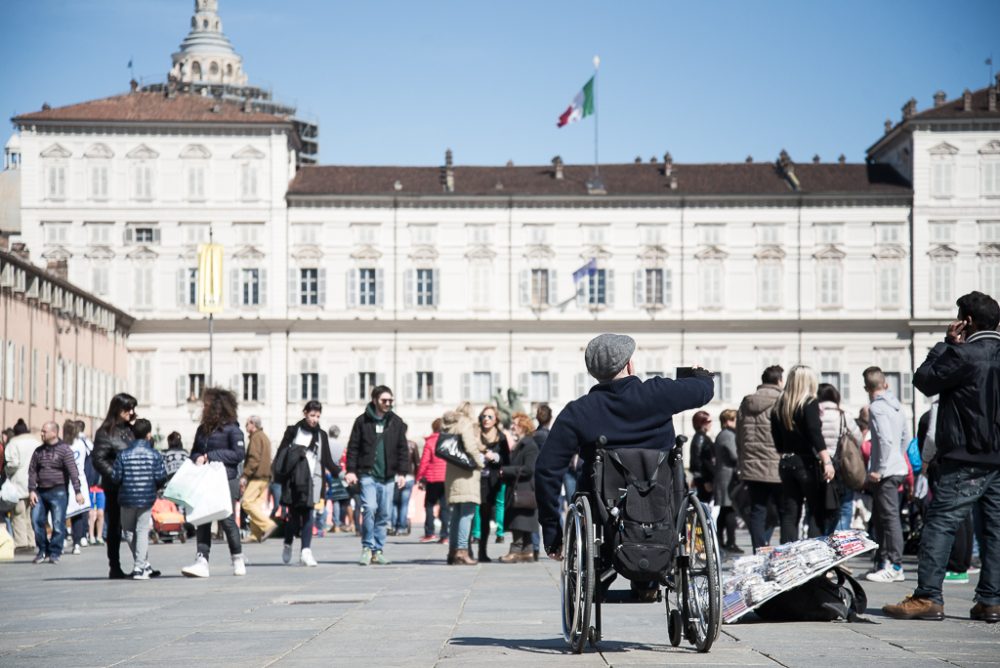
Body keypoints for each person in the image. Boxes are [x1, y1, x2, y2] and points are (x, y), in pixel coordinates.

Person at [535, 333, 714, 600]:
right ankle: (649, 581)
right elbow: (703, 390)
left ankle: (599, 578)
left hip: (603, 515)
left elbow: (546, 470)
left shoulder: (579, 412)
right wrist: (699, 375)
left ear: (594, 373)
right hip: (661, 506)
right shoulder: (658, 393)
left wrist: (552, 532)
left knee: (591, 489)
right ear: (630, 365)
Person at [884, 291, 1000, 623]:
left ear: (967, 321)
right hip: (998, 457)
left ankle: (927, 597)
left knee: (940, 524)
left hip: (966, 456)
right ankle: (991, 600)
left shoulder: (964, 355)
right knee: (994, 528)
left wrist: (946, 343)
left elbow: (924, 380)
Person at [181, 387, 247, 578]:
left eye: (206, 405)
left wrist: (211, 456)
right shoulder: (202, 430)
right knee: (202, 519)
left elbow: (238, 454)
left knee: (227, 519)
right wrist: (198, 457)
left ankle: (237, 557)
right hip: (205, 478)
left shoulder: (232, 429)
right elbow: (194, 451)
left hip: (226, 478)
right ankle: (202, 560)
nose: (203, 408)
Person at [344, 385, 409, 566]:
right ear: (375, 400)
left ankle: (378, 550)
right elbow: (353, 447)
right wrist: (350, 470)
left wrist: (403, 473)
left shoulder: (396, 422)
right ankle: (366, 547)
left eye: (390, 400)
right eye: (384, 400)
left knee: (384, 514)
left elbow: (403, 449)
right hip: (367, 474)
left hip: (388, 476)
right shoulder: (362, 421)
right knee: (370, 508)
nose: (388, 404)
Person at [770, 365, 836, 542]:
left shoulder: (779, 405)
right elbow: (814, 432)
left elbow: (777, 441)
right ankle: (814, 554)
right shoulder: (808, 403)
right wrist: (826, 461)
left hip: (786, 462)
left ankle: (787, 557)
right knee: (815, 510)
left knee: (790, 512)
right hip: (806, 462)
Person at [272, 401, 339, 567]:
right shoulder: (293, 431)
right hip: (293, 479)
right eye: (312, 415)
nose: (314, 419)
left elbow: (327, 460)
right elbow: (281, 453)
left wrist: (342, 474)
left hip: (313, 480)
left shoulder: (322, 435)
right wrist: (278, 477)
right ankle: (288, 543)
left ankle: (305, 551)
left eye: (317, 416)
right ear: (305, 413)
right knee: (294, 516)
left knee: (309, 514)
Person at [862, 366, 911, 583]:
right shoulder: (898, 406)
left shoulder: (877, 408)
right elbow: (905, 438)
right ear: (886, 384)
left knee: (889, 519)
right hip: (897, 466)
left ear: (866, 387)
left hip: (886, 471)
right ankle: (884, 563)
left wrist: (879, 469)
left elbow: (884, 439)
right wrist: (898, 458)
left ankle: (894, 565)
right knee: (885, 519)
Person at [109, 419, 166, 579]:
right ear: (148, 434)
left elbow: (115, 477)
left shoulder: (123, 455)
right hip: (147, 497)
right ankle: (142, 565)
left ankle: (140, 566)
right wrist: (153, 486)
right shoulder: (154, 454)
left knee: (128, 532)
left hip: (127, 497)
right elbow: (161, 476)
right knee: (141, 530)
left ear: (133, 434)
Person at [735, 365, 784, 551]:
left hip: (751, 466)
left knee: (758, 510)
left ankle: (759, 549)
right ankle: (781, 551)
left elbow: (739, 435)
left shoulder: (746, 402)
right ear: (779, 380)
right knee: (783, 511)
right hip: (776, 465)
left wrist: (742, 460)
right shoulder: (781, 400)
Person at [93, 393, 139, 579]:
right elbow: (99, 459)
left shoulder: (130, 430)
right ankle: (115, 565)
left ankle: (142, 564)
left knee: (138, 525)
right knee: (115, 526)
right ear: (117, 410)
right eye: (128, 409)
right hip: (116, 487)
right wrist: (116, 475)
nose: (131, 412)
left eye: (133, 409)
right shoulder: (105, 432)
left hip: (134, 485)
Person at [28, 421, 84, 564]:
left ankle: (55, 552)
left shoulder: (65, 450)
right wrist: (32, 490)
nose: (41, 434)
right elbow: (32, 471)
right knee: (36, 521)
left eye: (44, 431)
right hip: (40, 492)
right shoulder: (38, 451)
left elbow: (73, 471)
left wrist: (78, 491)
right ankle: (42, 550)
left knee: (58, 524)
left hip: (58, 491)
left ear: (54, 433)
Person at [817, 383, 863, 532]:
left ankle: (823, 541)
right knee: (845, 505)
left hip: (820, 465)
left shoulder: (814, 415)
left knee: (822, 507)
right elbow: (859, 439)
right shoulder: (844, 416)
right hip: (842, 466)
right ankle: (840, 544)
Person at [442, 402, 484, 565]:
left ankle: (452, 552)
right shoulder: (465, 423)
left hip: (452, 474)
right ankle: (462, 551)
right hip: (466, 475)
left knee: (457, 515)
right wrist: (479, 463)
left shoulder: (448, 425)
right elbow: (470, 446)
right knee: (467, 515)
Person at [498, 412, 540, 563]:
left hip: (523, 489)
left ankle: (516, 550)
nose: (512, 427)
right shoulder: (522, 443)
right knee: (523, 520)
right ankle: (527, 551)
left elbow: (529, 468)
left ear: (523, 426)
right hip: (520, 488)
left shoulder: (529, 445)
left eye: (515, 424)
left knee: (519, 520)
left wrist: (506, 471)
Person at [473, 405, 510, 562]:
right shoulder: (475, 435)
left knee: (490, 511)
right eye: (484, 417)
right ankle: (477, 547)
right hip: (476, 479)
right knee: (479, 512)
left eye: (490, 417)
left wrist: (495, 457)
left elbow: (506, 459)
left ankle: (484, 550)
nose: (486, 420)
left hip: (493, 480)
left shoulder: (500, 437)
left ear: (496, 420)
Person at [4, 421, 41, 551]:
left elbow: (12, 463)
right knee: (31, 515)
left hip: (18, 484)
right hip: (35, 484)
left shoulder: (13, 443)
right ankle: (32, 541)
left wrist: (6, 471)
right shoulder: (37, 442)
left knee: (18, 514)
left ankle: (21, 543)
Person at [241, 416, 277, 543]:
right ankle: (255, 534)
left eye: (247, 423)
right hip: (265, 476)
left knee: (246, 502)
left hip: (257, 476)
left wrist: (245, 475)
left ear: (253, 424)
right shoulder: (264, 437)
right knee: (255, 504)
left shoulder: (256, 437)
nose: (245, 426)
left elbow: (254, 458)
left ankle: (267, 525)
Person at [416, 418, 449, 544]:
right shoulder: (448, 441)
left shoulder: (430, 442)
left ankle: (430, 533)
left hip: (433, 478)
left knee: (429, 505)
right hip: (446, 478)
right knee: (445, 507)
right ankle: (445, 536)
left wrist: (419, 477)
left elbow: (424, 461)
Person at [713, 409, 741, 553]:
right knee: (729, 510)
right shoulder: (728, 435)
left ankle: (721, 541)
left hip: (724, 476)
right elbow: (735, 455)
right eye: (735, 419)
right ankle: (730, 542)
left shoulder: (724, 434)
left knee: (725, 510)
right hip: (727, 477)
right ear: (728, 421)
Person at [64, 420, 91, 555]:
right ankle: (77, 542)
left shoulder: (62, 445)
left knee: (61, 512)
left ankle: (62, 539)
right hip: (80, 479)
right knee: (78, 513)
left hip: (65, 481)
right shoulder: (82, 444)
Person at [390, 437, 420, 536]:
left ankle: (394, 526)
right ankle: (402, 527)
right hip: (409, 477)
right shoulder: (412, 444)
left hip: (395, 477)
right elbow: (417, 462)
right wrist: (417, 476)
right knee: (404, 504)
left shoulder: (392, 443)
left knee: (394, 503)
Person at [689, 411, 714, 503]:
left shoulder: (700, 437)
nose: (711, 423)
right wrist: (705, 480)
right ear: (702, 422)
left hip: (702, 477)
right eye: (709, 421)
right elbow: (697, 460)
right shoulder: (700, 438)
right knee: (705, 504)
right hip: (704, 478)